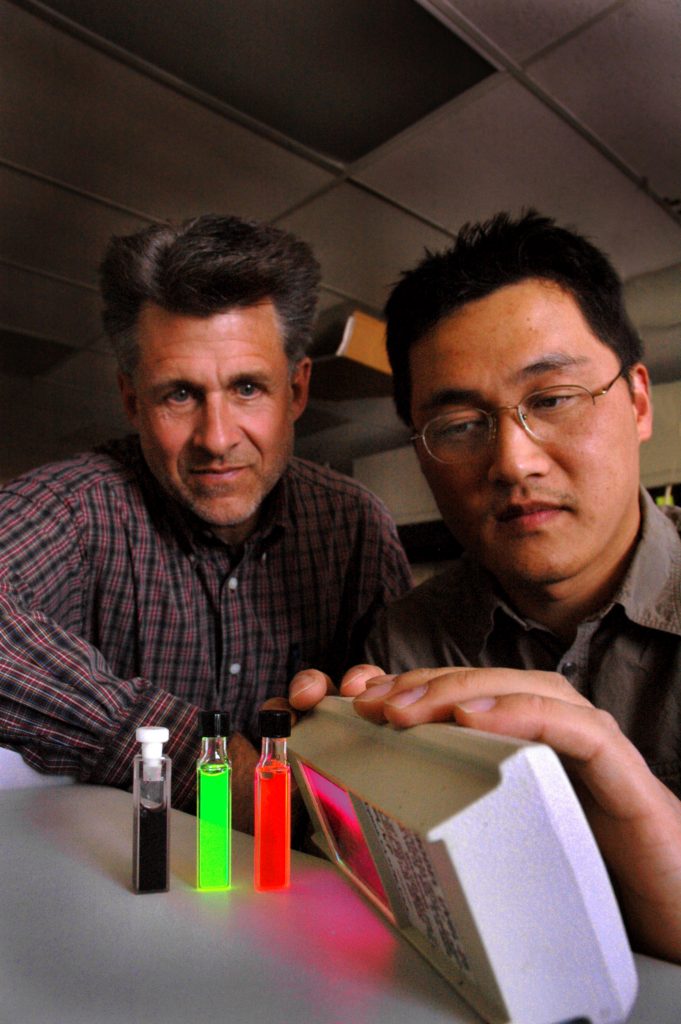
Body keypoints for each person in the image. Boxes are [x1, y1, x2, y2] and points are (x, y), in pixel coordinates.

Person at [287, 210, 681, 963]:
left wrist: (620, 781)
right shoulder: (403, 640)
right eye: (460, 424)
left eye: (553, 398)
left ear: (636, 400)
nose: (511, 462)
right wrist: (324, 796)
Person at [0, 213, 411, 828]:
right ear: (132, 399)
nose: (217, 440)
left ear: (296, 390)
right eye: (180, 394)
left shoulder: (357, 526)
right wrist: (191, 756)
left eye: (248, 388)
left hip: (306, 895)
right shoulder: (79, 508)